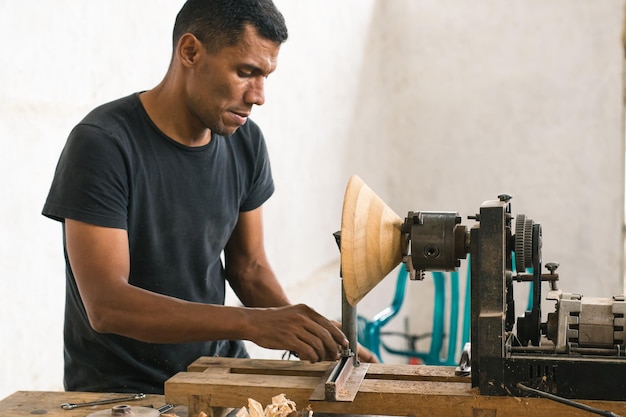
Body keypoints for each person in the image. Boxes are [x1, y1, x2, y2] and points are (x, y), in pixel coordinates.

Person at [42, 0, 375, 395]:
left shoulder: (245, 142)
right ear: (190, 52)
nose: (259, 96)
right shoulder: (104, 144)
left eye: (266, 75)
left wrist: (303, 331)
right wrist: (253, 322)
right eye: (245, 72)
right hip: (123, 392)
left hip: (215, 373)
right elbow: (107, 304)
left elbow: (248, 267)